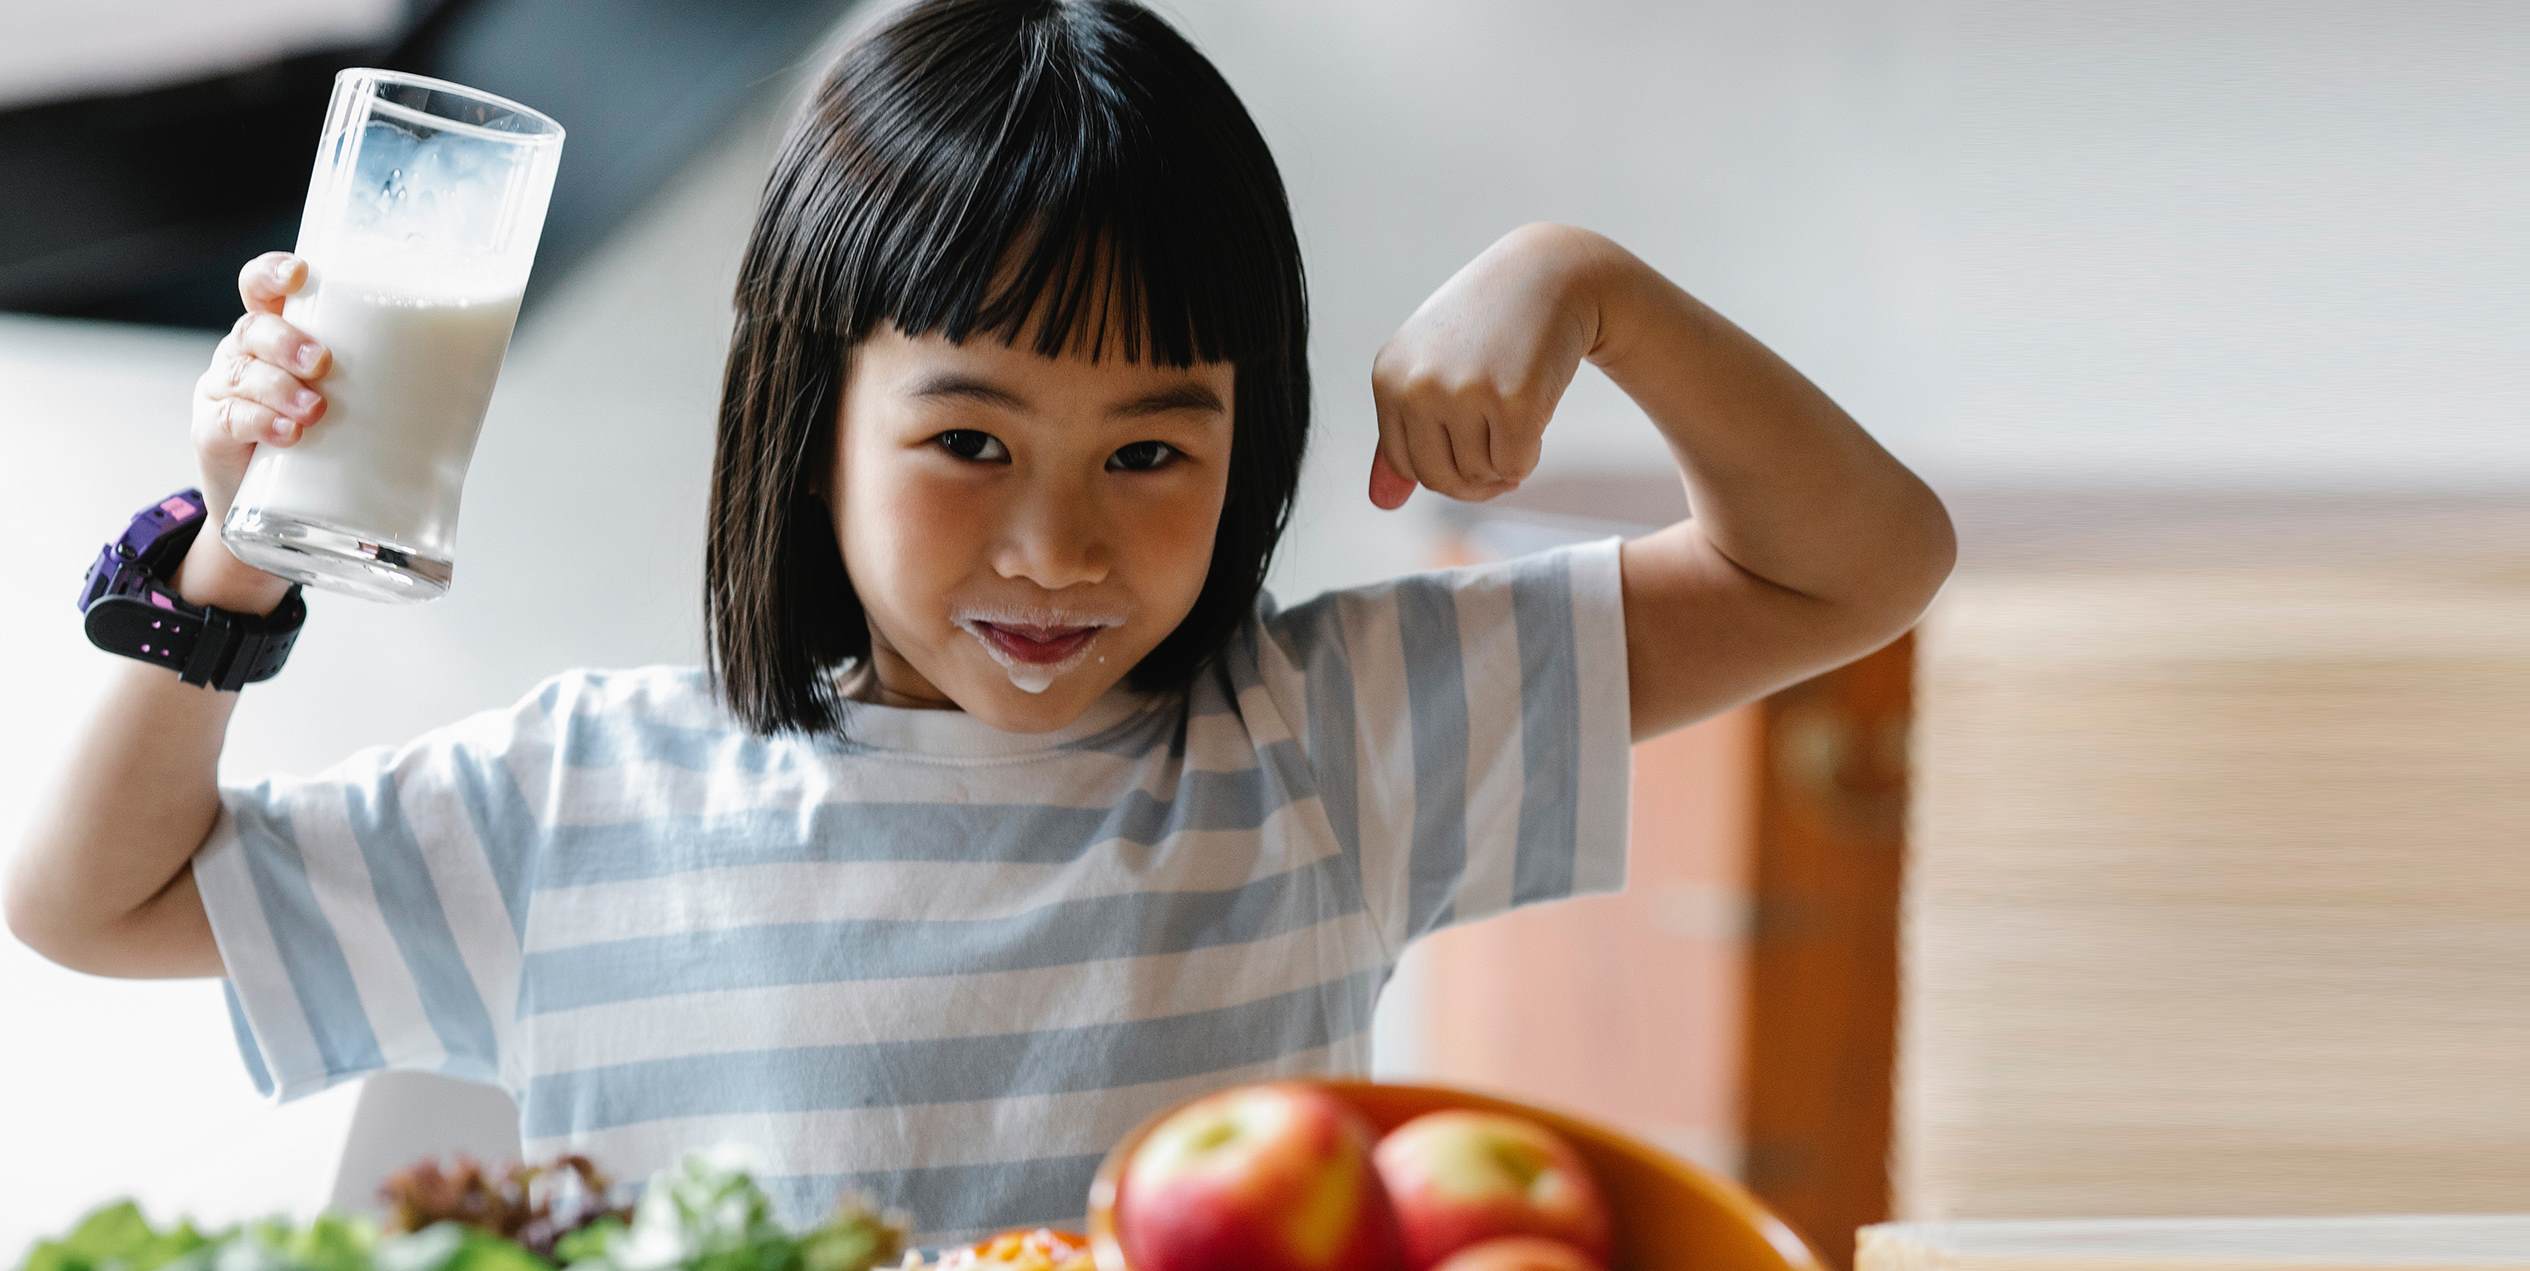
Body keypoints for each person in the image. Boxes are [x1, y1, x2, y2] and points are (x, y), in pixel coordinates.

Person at [6, 0, 1956, 1250]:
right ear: (807, 414)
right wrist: (237, 552)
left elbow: (1850, 564)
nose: (1053, 548)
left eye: (1146, 454)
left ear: (1247, 443)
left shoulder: (1333, 731)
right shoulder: (587, 788)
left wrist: (1586, 282)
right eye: (965, 438)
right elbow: (93, 902)